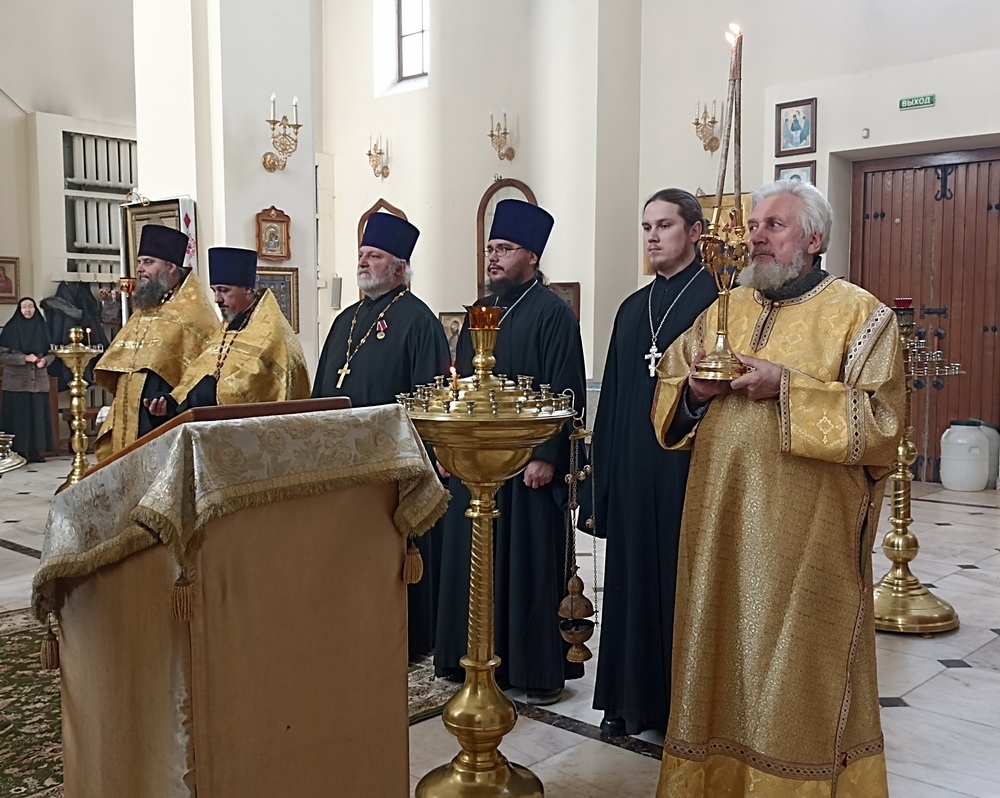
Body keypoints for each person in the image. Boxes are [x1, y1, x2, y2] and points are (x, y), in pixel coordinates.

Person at [651, 180, 905, 797]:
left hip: (805, 542)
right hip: (720, 528)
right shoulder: (724, 308)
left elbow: (883, 425)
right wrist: (694, 394)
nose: (756, 237)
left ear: (813, 239)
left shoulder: (862, 316)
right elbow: (671, 392)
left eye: (774, 225)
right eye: (754, 226)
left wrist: (786, 387)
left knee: (796, 670)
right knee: (717, 658)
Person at [435, 199, 587, 705]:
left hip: (526, 469)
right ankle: (466, 655)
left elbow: (566, 389)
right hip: (476, 464)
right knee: (472, 561)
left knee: (526, 565)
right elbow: (459, 386)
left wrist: (547, 453)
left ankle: (533, 670)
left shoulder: (553, 314)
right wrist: (450, 448)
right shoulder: (481, 313)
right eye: (490, 249)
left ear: (532, 257)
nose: (494, 257)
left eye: (504, 248)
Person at [589, 189, 717, 736]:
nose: (653, 236)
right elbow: (614, 399)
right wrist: (604, 480)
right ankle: (626, 700)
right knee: (630, 581)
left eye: (665, 225)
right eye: (647, 227)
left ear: (695, 231)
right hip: (634, 469)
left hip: (687, 469)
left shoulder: (719, 302)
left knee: (678, 585)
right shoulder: (630, 307)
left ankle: (677, 709)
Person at [313, 212, 450, 661]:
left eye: (374, 255)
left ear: (399, 267)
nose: (363, 262)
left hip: (395, 468)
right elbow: (321, 390)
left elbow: (430, 400)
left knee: (395, 555)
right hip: (342, 466)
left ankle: (408, 640)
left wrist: (421, 462)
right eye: (362, 254)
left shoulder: (419, 321)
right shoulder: (345, 321)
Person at [94, 225, 218, 460]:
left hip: (164, 420)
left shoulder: (195, 315)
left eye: (149, 262)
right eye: (139, 262)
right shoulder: (146, 310)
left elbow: (203, 375)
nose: (140, 268)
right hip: (130, 415)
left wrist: (172, 402)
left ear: (170, 267)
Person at [144, 246, 311, 420]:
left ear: (247, 289)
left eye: (224, 290)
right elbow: (198, 373)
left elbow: (251, 387)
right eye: (214, 290)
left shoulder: (271, 333)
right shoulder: (227, 327)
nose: (217, 299)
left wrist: (204, 396)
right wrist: (172, 402)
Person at [0, 298, 55, 462]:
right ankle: (19, 452)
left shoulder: (42, 327)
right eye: (24, 307)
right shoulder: (10, 329)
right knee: (19, 418)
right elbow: (2, 355)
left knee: (37, 417)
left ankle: (35, 451)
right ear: (19, 310)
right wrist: (24, 358)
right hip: (17, 383)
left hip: (38, 381)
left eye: (31, 307)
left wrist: (45, 361)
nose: (28, 310)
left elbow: (52, 352)